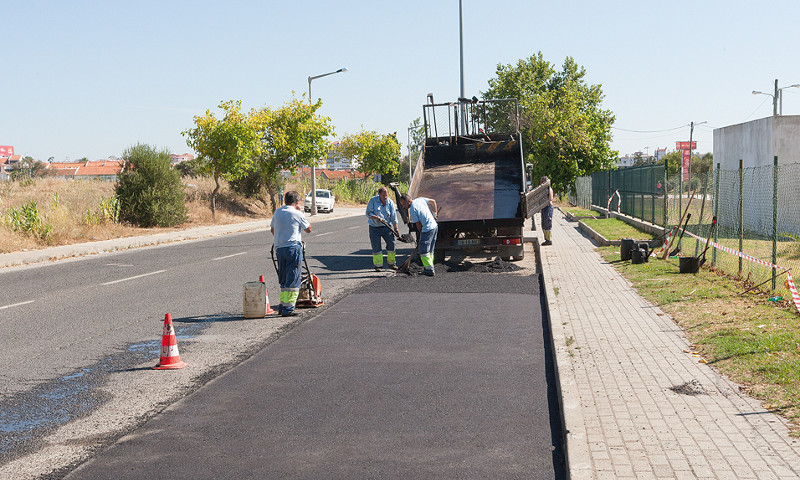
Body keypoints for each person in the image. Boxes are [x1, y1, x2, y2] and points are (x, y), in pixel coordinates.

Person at [270, 191, 312, 316]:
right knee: (293, 278)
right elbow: (308, 229)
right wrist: (301, 213)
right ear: (297, 201)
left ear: (285, 201)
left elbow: (273, 229)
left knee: (283, 278)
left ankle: (283, 306)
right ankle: (288, 309)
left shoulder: (277, 212)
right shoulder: (297, 213)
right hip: (293, 248)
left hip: (279, 248)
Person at [398, 193, 438, 276]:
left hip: (427, 229)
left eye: (404, 204)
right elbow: (433, 201)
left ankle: (429, 270)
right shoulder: (420, 199)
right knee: (430, 250)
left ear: (409, 201)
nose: (403, 207)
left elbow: (418, 225)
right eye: (402, 205)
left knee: (423, 251)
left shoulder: (413, 209)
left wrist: (421, 235)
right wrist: (434, 214)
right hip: (434, 226)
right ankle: (431, 266)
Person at [366, 186, 400, 271]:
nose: (385, 197)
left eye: (386, 195)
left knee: (392, 244)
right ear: (379, 194)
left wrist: (396, 229)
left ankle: (392, 263)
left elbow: (393, 217)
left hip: (387, 227)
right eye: (383, 195)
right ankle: (378, 266)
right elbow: (368, 213)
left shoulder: (390, 202)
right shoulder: (373, 201)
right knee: (376, 247)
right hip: (374, 228)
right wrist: (376, 217)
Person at [540, 176, 555, 246]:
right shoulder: (543, 190)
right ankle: (546, 239)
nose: (541, 183)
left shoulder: (549, 189)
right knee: (543, 224)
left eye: (542, 182)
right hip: (544, 208)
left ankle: (549, 240)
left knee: (547, 223)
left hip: (548, 207)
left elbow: (551, 199)